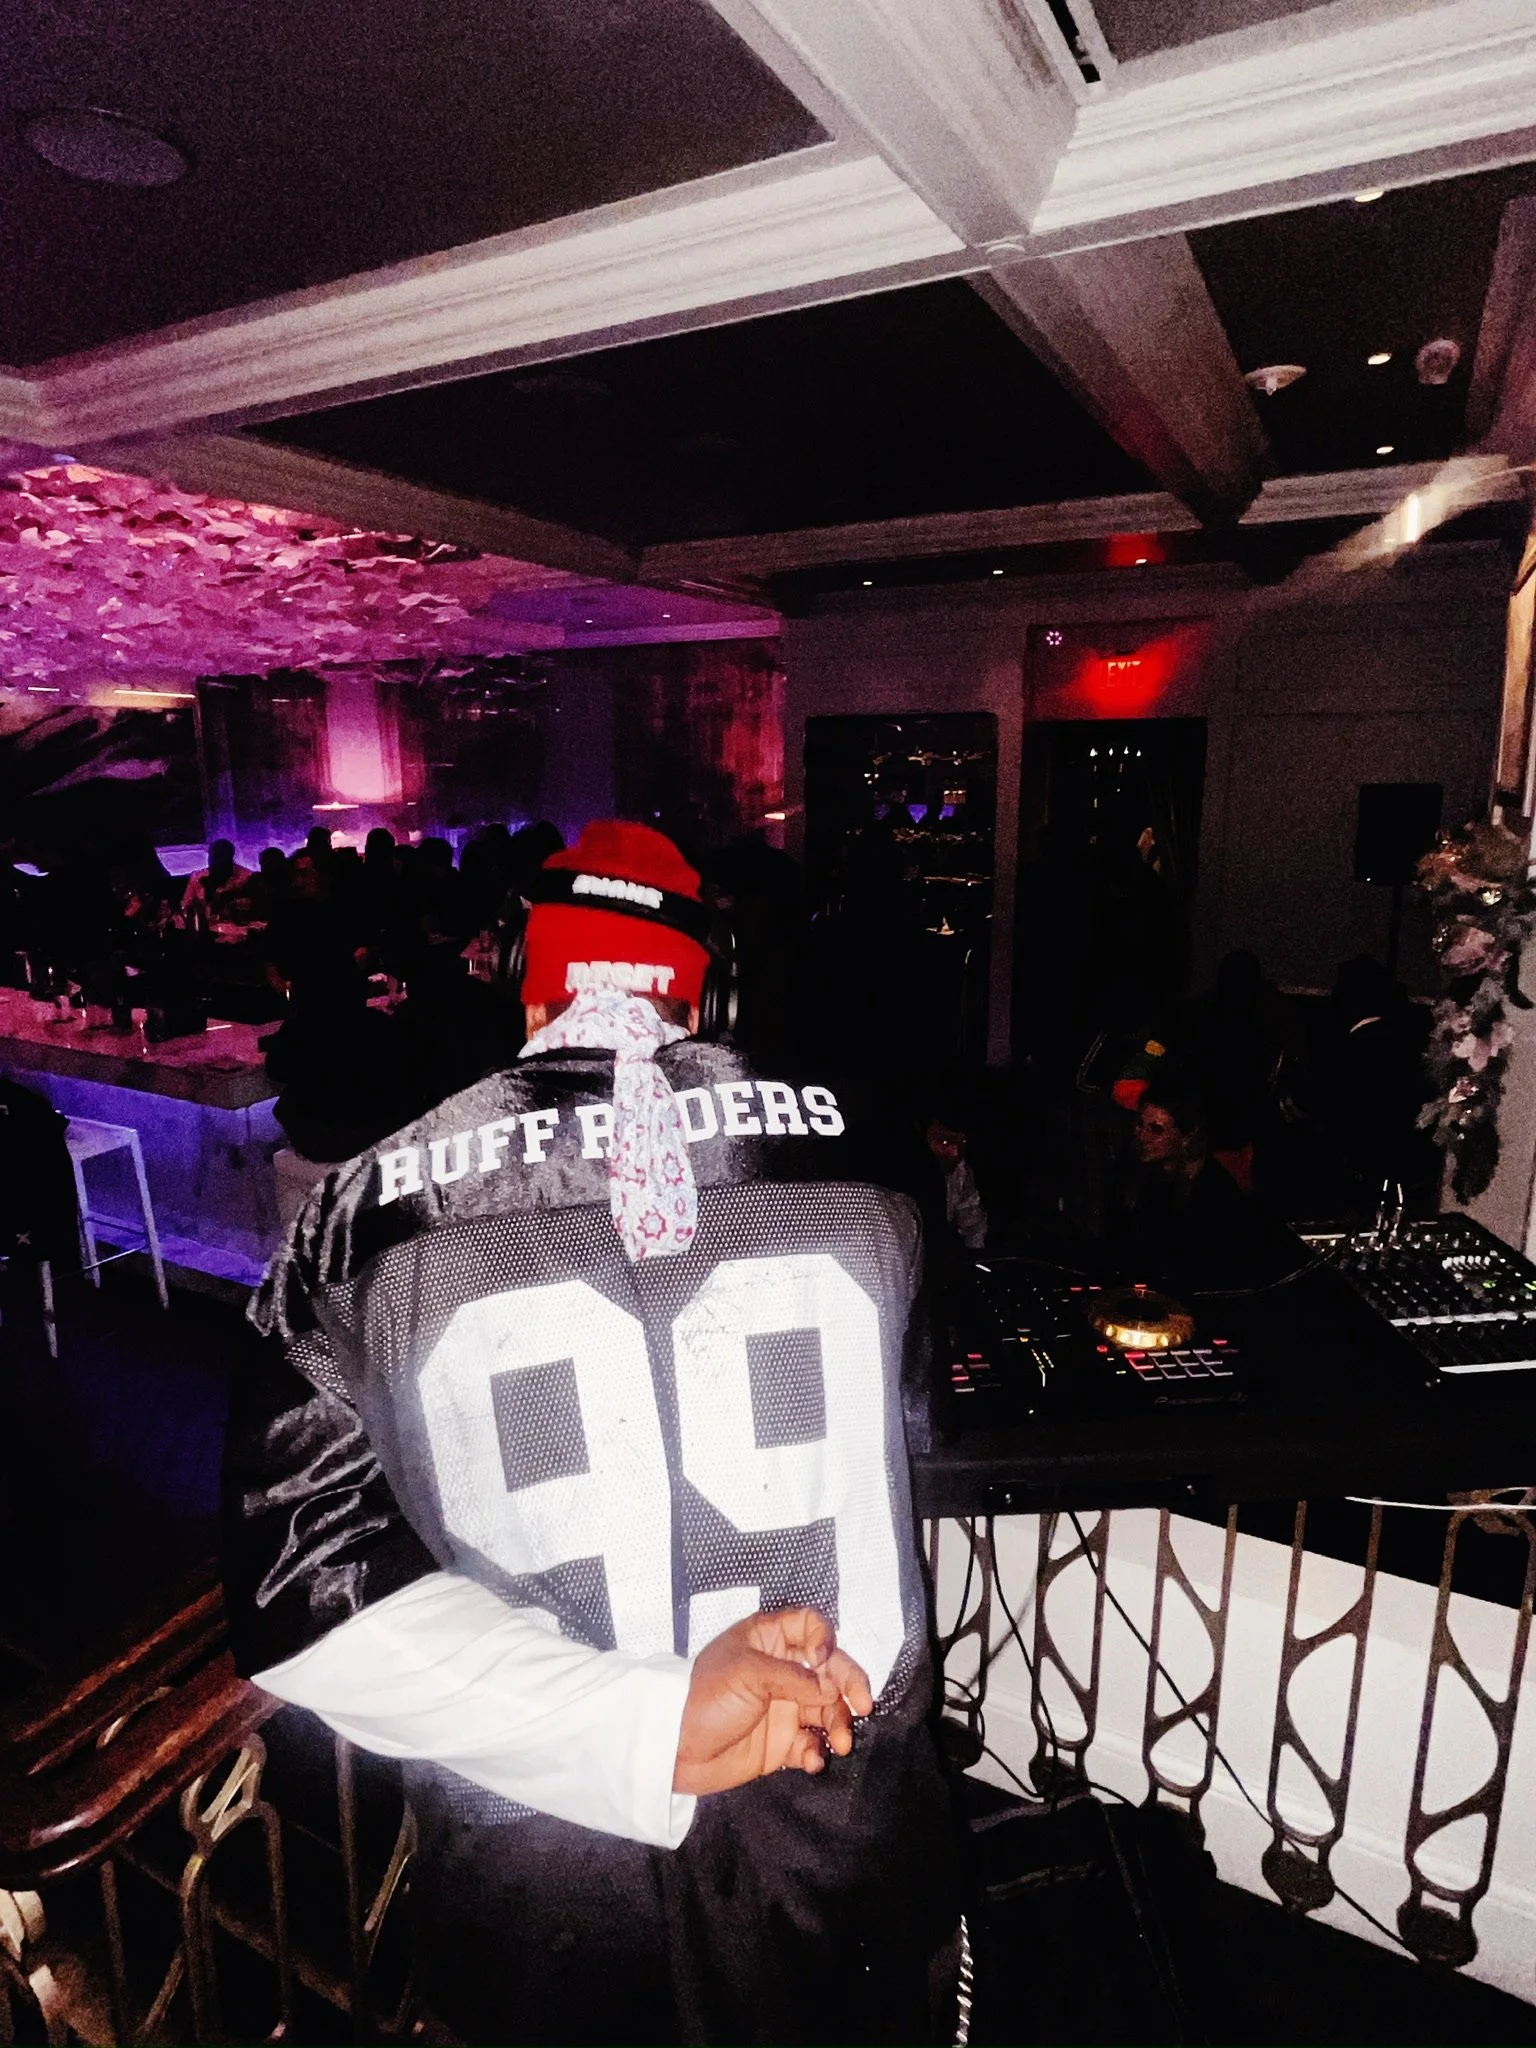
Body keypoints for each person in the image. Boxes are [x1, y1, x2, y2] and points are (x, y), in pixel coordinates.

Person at [222, 820, 958, 2046]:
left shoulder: (360, 1221)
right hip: (845, 1850)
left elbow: (303, 1600)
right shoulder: (882, 1161)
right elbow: (913, 1436)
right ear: (710, 981)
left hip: (546, 1896)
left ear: (522, 971)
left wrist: (637, 1721)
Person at [181, 838, 252, 924]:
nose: (215, 861)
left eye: (220, 857)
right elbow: (186, 906)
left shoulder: (245, 876)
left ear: (231, 857)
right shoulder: (197, 877)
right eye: (213, 856)